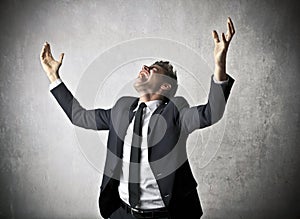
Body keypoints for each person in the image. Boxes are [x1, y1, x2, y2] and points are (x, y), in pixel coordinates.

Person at [40, 17, 235, 219]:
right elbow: (78, 116)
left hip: (167, 214)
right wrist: (54, 77)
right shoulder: (121, 109)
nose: (145, 67)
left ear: (165, 86)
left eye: (154, 69)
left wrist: (219, 65)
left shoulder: (176, 112)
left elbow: (211, 113)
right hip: (122, 213)